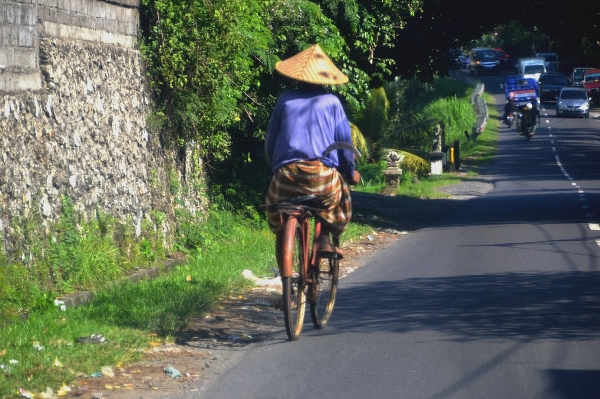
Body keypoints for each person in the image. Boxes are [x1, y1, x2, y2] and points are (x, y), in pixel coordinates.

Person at [264, 44, 360, 261]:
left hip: (285, 175)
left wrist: (276, 168)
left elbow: (270, 142)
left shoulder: (285, 99)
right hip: (321, 177)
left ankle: (285, 282)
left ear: (297, 77)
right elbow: (344, 146)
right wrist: (349, 172)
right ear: (324, 79)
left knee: (277, 215)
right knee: (337, 195)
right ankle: (324, 238)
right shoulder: (332, 102)